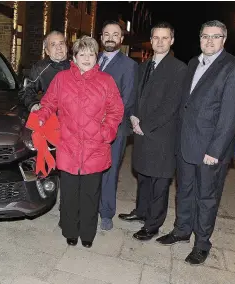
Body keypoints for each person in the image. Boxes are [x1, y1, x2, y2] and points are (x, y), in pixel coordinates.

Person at [156, 20, 235, 265]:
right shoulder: (193, 63)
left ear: (224, 39)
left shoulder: (234, 68)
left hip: (210, 150)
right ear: (199, 38)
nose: (209, 41)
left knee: (206, 198)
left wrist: (215, 150)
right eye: (205, 36)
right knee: (184, 191)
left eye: (215, 37)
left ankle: (202, 243)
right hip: (186, 144)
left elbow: (231, 116)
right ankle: (182, 230)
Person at [34, 36, 124, 248]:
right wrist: (41, 116)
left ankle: (87, 233)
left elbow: (116, 110)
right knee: (69, 192)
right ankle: (70, 230)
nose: (86, 58)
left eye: (91, 54)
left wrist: (106, 132)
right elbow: (48, 102)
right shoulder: (62, 79)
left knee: (91, 194)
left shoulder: (106, 81)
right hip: (68, 145)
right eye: (81, 54)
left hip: (95, 147)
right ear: (74, 57)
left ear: (97, 57)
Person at [118, 22, 187, 241]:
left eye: (164, 38)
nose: (159, 42)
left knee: (159, 182)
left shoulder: (178, 68)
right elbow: (136, 96)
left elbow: (171, 105)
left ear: (172, 40)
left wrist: (144, 125)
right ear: (151, 39)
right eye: (156, 38)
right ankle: (141, 212)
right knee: (144, 177)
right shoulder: (144, 65)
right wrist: (133, 117)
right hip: (142, 132)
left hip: (162, 136)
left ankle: (153, 225)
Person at [97, 21, 138, 230]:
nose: (110, 37)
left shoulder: (129, 65)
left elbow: (128, 99)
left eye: (115, 34)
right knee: (89, 169)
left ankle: (106, 213)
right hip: (89, 127)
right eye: (106, 34)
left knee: (109, 171)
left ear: (121, 39)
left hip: (115, 127)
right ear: (101, 37)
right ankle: (88, 206)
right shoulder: (91, 58)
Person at [19, 30, 70, 113]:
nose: (59, 47)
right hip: (51, 119)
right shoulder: (40, 68)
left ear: (66, 47)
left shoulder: (77, 65)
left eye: (61, 43)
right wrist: (33, 105)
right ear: (47, 51)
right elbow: (25, 91)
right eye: (53, 44)